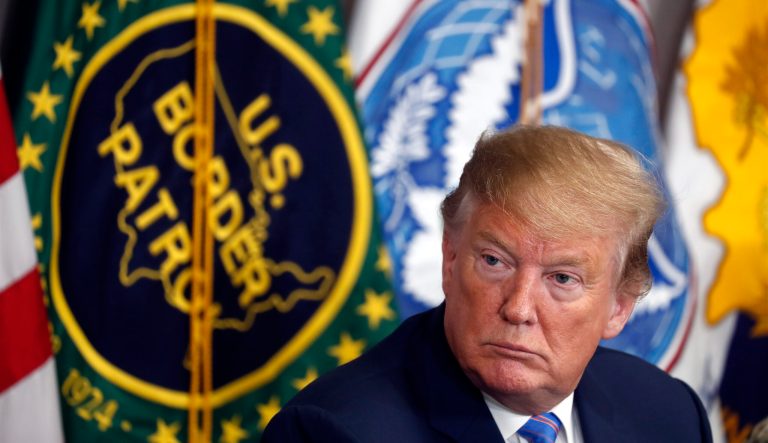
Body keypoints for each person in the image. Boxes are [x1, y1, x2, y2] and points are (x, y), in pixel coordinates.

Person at [262, 125, 712, 442]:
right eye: (495, 261)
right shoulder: (335, 431)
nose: (518, 309)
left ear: (620, 306)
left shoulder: (669, 414)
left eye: (561, 278)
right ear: (451, 259)